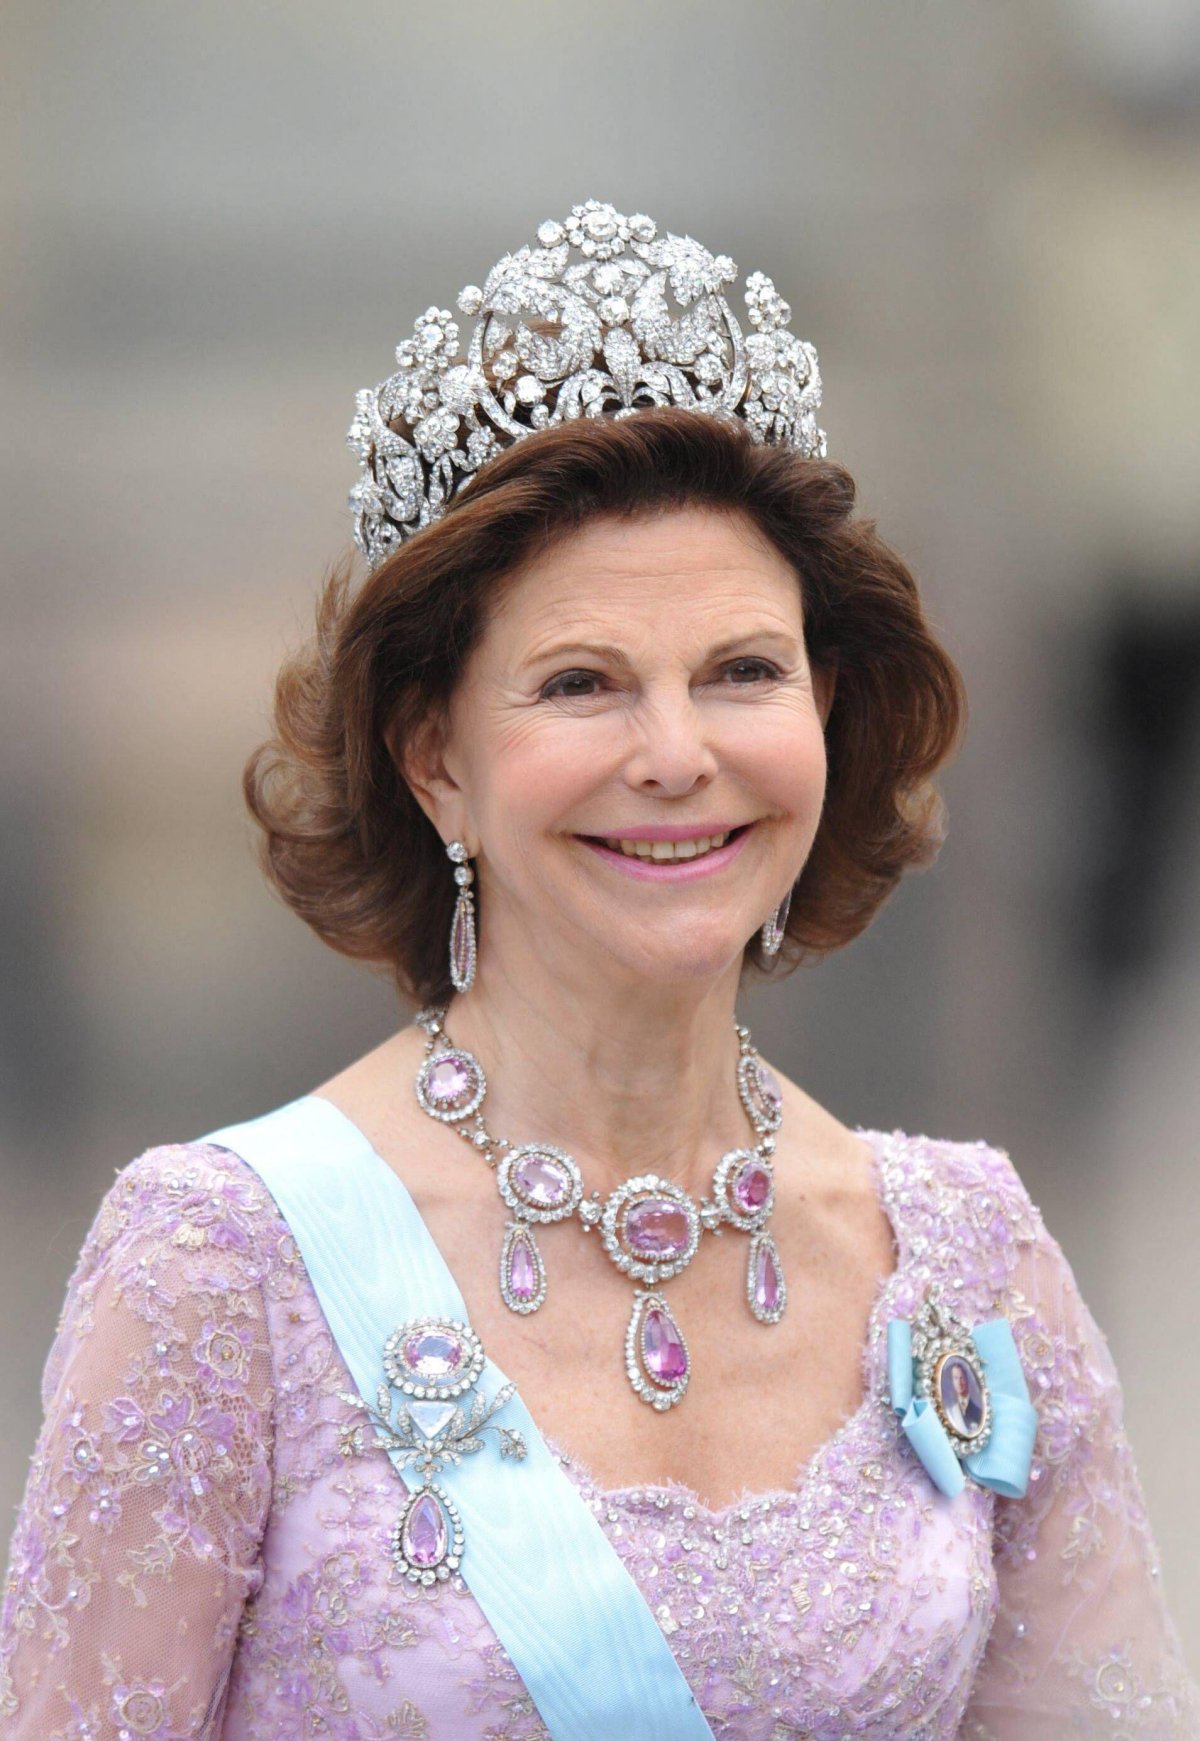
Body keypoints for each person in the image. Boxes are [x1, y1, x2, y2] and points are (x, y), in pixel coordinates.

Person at [2, 201, 1196, 1740]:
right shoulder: (220, 1267)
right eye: (583, 684)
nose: (678, 754)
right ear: (435, 755)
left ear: (823, 714)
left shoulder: (969, 1263)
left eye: (742, 672)